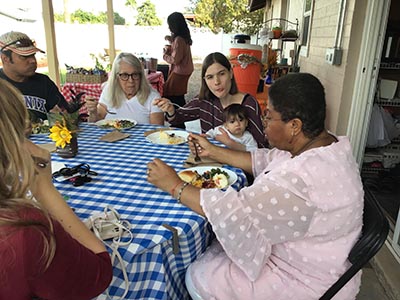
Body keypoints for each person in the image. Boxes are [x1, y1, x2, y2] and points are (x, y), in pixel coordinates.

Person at [147, 73, 364, 299]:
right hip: (326, 257)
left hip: (305, 280)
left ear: (294, 126)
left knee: (196, 274)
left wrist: (173, 185)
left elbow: (231, 210)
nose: (263, 123)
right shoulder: (326, 146)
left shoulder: (299, 181)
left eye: (268, 117)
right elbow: (267, 159)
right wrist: (212, 151)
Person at [0, 79, 112, 299]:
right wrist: (45, 189)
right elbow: (99, 272)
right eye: (23, 135)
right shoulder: (24, 227)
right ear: (10, 144)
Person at [154, 52, 267, 148]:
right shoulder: (204, 100)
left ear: (231, 73)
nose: (217, 82)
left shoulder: (249, 104)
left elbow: (261, 149)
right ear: (205, 80)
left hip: (241, 167)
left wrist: (230, 143)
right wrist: (170, 109)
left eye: (221, 74)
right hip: (210, 162)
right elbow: (178, 117)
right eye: (210, 77)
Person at [0, 31, 70, 122]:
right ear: (5, 59)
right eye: (24, 57)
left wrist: (61, 116)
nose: (32, 60)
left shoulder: (44, 82)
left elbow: (66, 114)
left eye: (33, 55)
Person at [86, 52, 164, 125]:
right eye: (124, 75)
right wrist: (93, 112)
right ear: (116, 77)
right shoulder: (109, 90)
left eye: (135, 74)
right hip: (110, 138)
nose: (131, 81)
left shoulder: (153, 97)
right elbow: (96, 123)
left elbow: (157, 132)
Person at [162, 12, 194, 109]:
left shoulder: (179, 40)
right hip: (186, 70)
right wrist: (172, 41)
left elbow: (175, 60)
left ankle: (178, 119)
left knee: (169, 93)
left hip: (180, 71)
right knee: (178, 95)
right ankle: (181, 116)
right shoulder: (184, 38)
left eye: (169, 25)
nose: (169, 27)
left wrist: (165, 55)